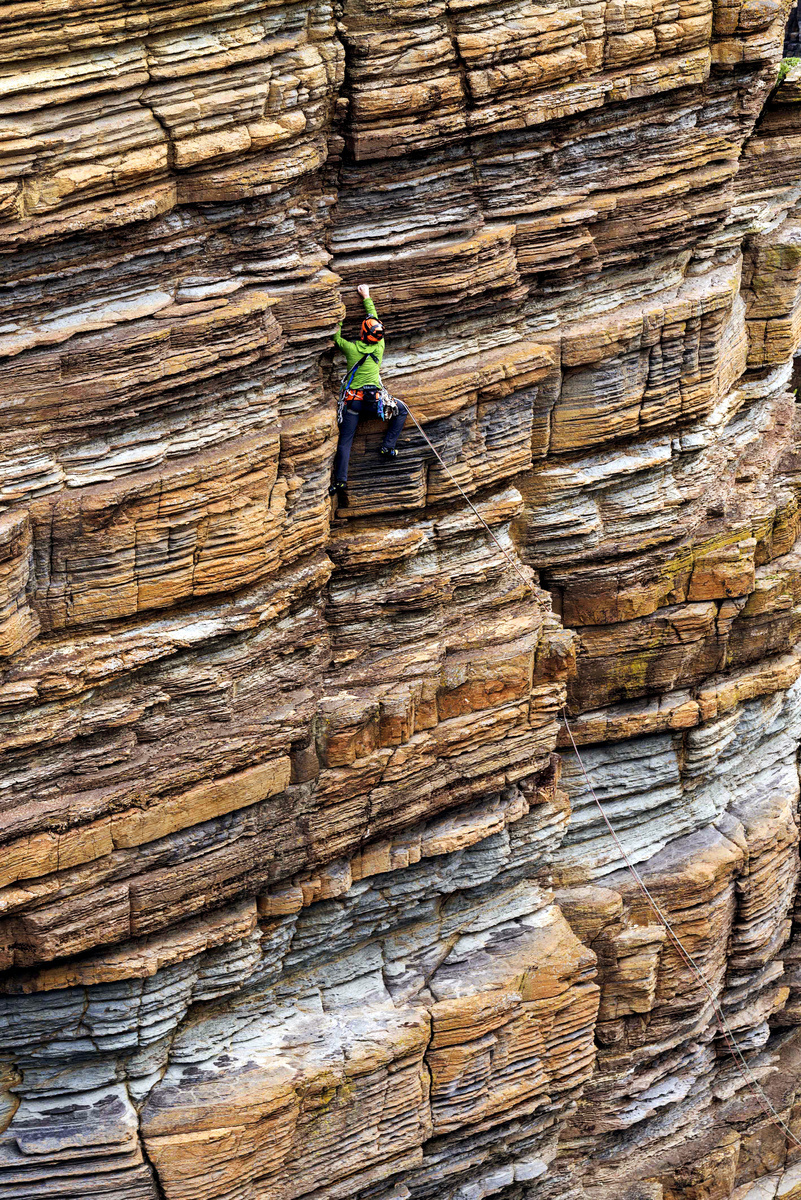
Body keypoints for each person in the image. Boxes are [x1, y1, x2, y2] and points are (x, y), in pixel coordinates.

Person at [329, 284, 408, 507]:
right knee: (402, 410)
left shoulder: (351, 348)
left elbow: (335, 336)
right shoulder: (379, 346)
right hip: (375, 404)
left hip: (353, 404)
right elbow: (375, 319)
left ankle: (341, 481)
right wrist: (367, 297)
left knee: (346, 442)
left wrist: (339, 314)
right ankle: (388, 446)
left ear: (363, 333)